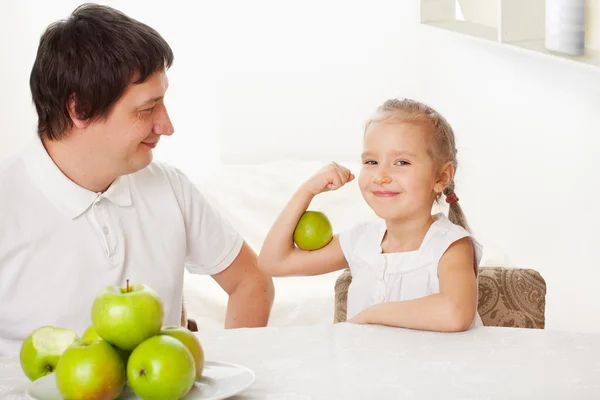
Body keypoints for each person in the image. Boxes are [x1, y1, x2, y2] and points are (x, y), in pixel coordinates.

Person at [0, 4, 274, 356]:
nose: (167, 126)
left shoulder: (169, 186)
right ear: (79, 108)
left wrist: (221, 371)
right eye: (147, 109)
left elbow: (251, 280)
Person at [259, 98, 483, 332]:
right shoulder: (361, 242)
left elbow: (455, 313)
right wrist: (307, 190)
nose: (381, 176)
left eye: (402, 162)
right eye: (372, 161)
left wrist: (372, 314)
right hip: (372, 368)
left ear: (442, 177)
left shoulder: (450, 245)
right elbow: (273, 262)